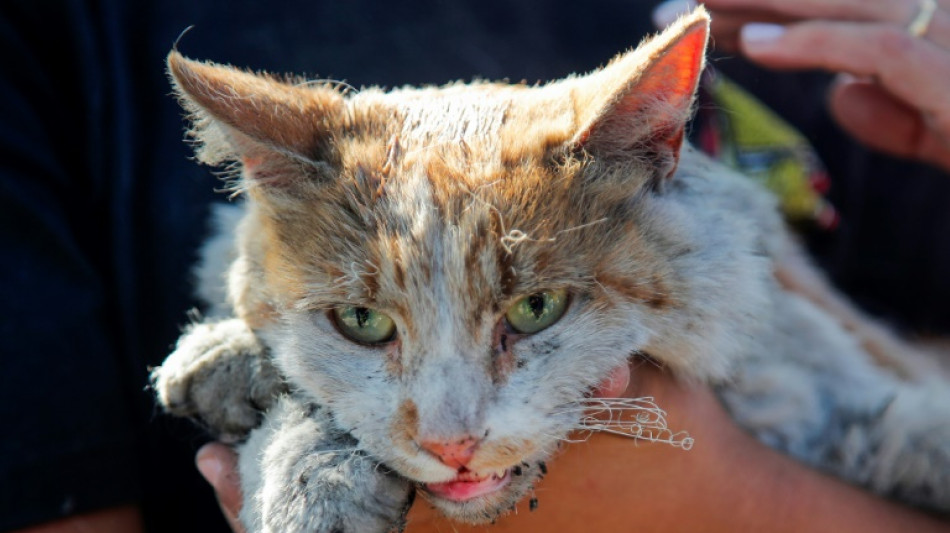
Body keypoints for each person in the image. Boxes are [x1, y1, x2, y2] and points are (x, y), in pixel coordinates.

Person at [2, 1, 948, 532]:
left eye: (531, 309)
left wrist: (730, 498)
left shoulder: (826, 28)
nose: (450, 433)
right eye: (364, 321)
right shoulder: (60, 41)